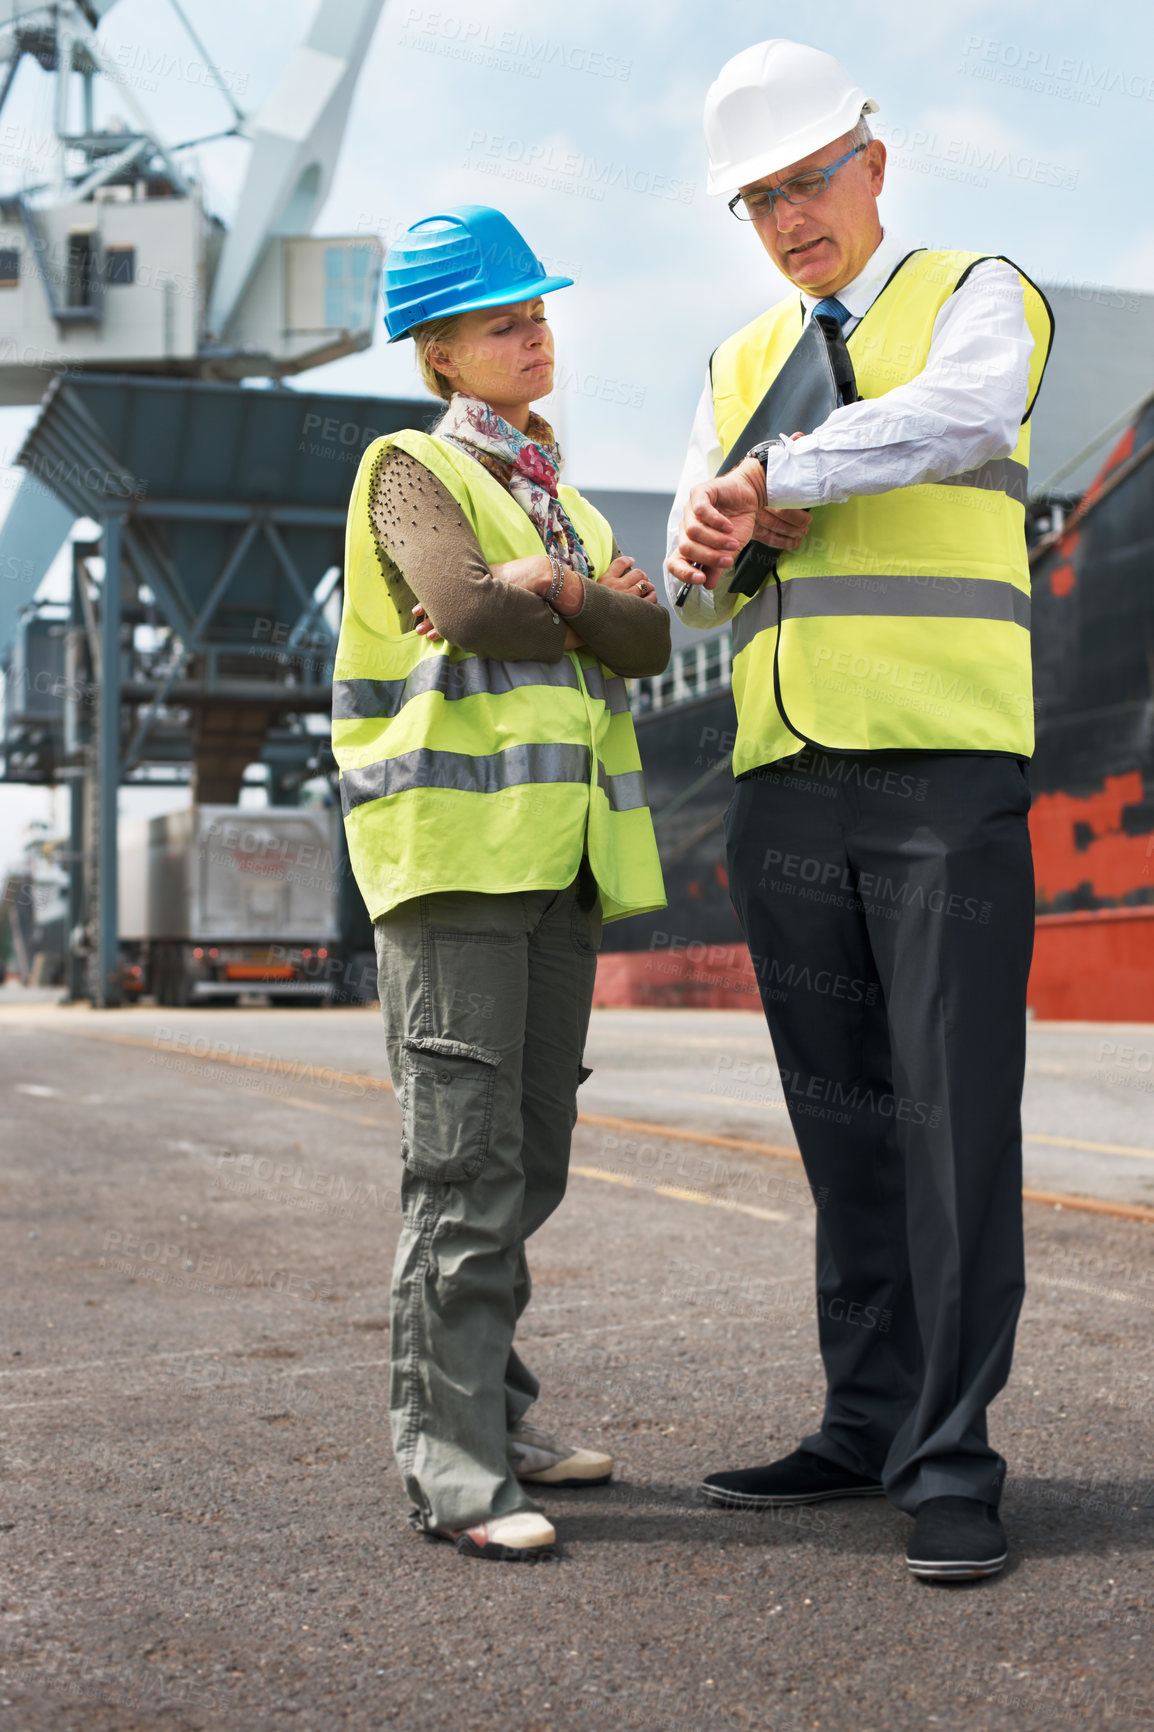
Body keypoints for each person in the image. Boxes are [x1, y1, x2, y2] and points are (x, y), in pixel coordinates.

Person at [667, 41, 1053, 1582]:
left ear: (871, 166)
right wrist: (705, 532)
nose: (784, 220)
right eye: (756, 200)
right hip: (784, 780)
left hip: (937, 775)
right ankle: (864, 1420)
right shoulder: (732, 357)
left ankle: (950, 1459)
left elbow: (957, 422)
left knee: (951, 1116)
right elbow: (709, 540)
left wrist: (772, 477)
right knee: (845, 1125)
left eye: (806, 183)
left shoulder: (975, 292)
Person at [333, 204, 669, 1561]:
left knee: (525, 1159)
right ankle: (454, 1468)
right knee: (461, 1167)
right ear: (439, 353)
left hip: (561, 863)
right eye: (497, 321)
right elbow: (463, 608)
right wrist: (572, 597)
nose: (532, 334)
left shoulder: (564, 503)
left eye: (536, 313)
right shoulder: (405, 468)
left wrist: (569, 588)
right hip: (455, 861)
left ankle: (493, 1407)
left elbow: (646, 640)